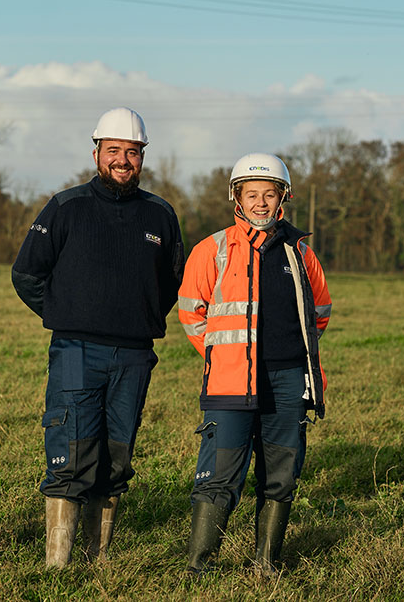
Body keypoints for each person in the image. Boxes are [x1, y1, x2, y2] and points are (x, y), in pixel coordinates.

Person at [12, 107, 185, 568]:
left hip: (134, 356)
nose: (122, 160)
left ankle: (98, 556)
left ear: (142, 156)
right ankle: (57, 564)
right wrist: (67, 315)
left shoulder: (161, 215)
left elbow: (171, 283)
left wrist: (138, 318)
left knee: (117, 455)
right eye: (113, 150)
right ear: (96, 154)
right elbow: (27, 274)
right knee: (70, 449)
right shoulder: (65, 207)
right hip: (75, 351)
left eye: (132, 152)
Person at [177, 153, 331, 577]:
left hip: (288, 381)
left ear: (283, 197)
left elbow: (319, 312)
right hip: (229, 383)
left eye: (269, 194)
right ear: (236, 198)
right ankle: (199, 566)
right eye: (251, 194)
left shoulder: (301, 252)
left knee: (281, 474)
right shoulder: (213, 249)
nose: (260, 203)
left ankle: (266, 564)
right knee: (219, 474)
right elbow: (191, 313)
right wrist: (223, 356)